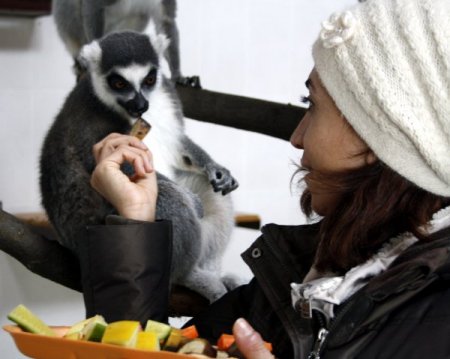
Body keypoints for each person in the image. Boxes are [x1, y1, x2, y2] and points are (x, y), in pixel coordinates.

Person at [81, 0, 450, 357]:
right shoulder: (305, 274)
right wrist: (135, 220)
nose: (297, 137)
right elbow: (153, 353)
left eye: (313, 104)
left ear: (381, 130)